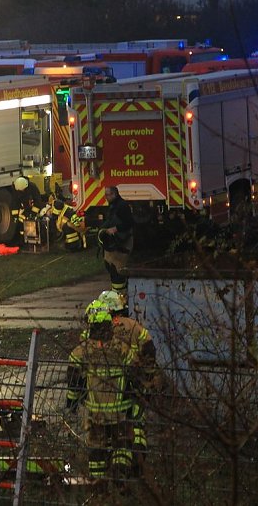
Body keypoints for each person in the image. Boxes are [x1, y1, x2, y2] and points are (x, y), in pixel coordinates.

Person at [65, 298, 155, 483]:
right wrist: (139, 397)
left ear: (90, 324)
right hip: (120, 414)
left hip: (95, 415)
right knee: (122, 446)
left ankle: (98, 487)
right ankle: (119, 482)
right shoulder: (122, 349)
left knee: (96, 449)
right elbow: (136, 374)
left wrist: (72, 402)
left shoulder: (81, 352)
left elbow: (73, 383)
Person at [97, 185, 134, 301]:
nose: (106, 197)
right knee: (111, 267)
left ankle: (120, 297)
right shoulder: (114, 205)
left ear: (114, 194)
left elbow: (129, 222)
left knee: (117, 271)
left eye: (107, 195)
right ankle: (117, 294)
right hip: (115, 243)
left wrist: (116, 229)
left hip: (122, 243)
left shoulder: (122, 206)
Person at [11, 176, 43, 243]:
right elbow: (14, 203)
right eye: (19, 190)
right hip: (24, 208)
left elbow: (38, 202)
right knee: (20, 221)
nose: (21, 191)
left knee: (32, 221)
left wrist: (32, 213)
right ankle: (21, 239)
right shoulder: (16, 188)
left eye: (22, 190)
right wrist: (16, 214)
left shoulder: (32, 187)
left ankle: (34, 239)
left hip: (32, 208)